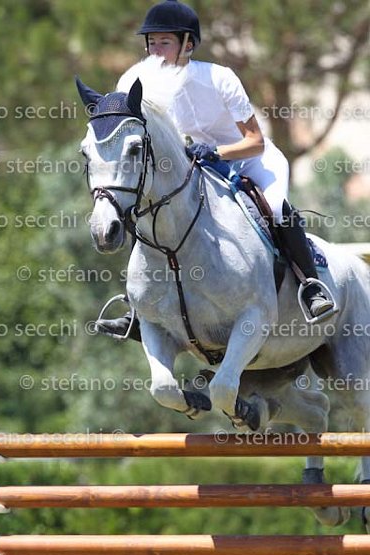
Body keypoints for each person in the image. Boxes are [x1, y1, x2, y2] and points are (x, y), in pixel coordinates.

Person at [97, 0, 336, 340]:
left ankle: (310, 286)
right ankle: (137, 308)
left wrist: (217, 152)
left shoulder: (219, 78)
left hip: (247, 158)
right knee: (145, 209)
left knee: (276, 209)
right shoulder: (136, 80)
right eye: (151, 43)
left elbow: (255, 141)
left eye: (164, 42)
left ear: (188, 44)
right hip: (193, 165)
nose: (155, 51)